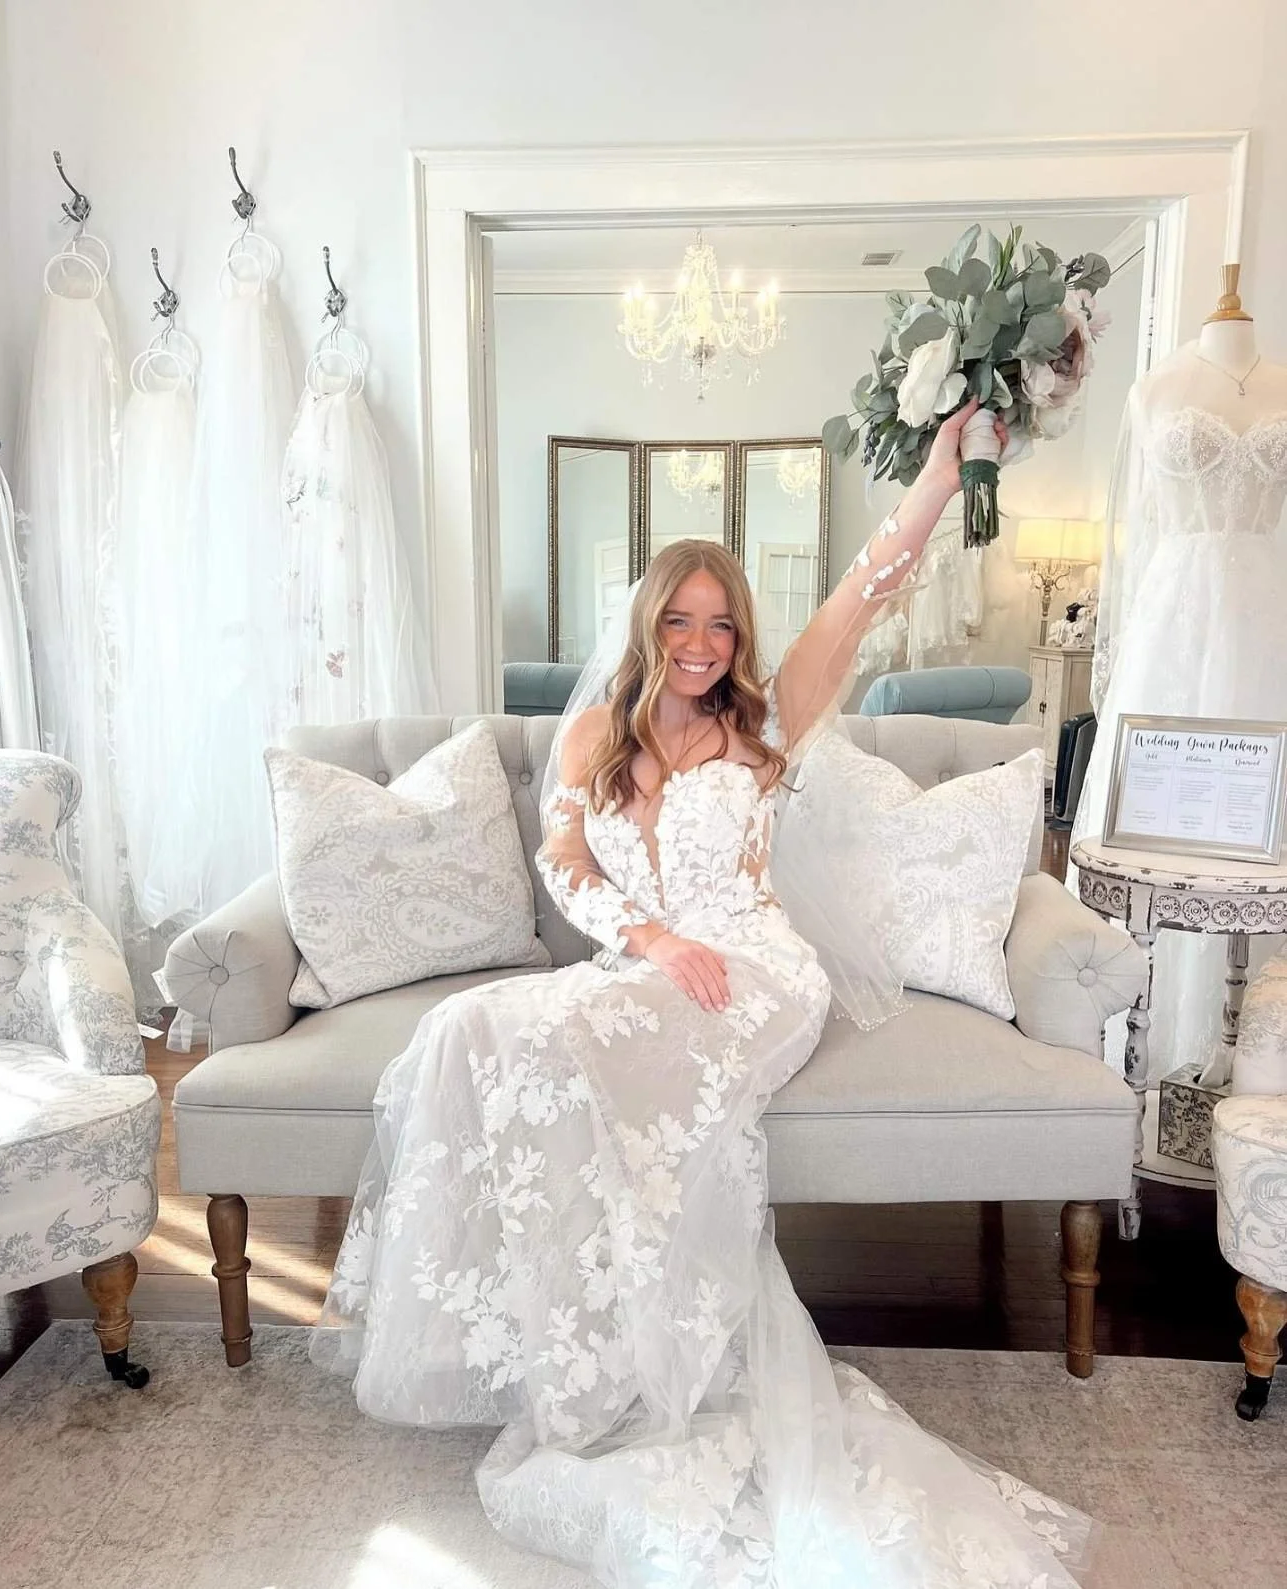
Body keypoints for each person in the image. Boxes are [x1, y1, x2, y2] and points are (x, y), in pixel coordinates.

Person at [312, 398, 1094, 1585]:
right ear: (647, 623)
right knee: (470, 1025)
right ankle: (569, 1343)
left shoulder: (768, 716)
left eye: (719, 623)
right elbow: (561, 864)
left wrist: (938, 477)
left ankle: (641, 1353)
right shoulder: (591, 739)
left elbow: (866, 589)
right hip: (655, 960)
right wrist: (650, 935)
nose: (699, 642)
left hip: (761, 972)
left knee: (575, 1040)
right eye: (679, 620)